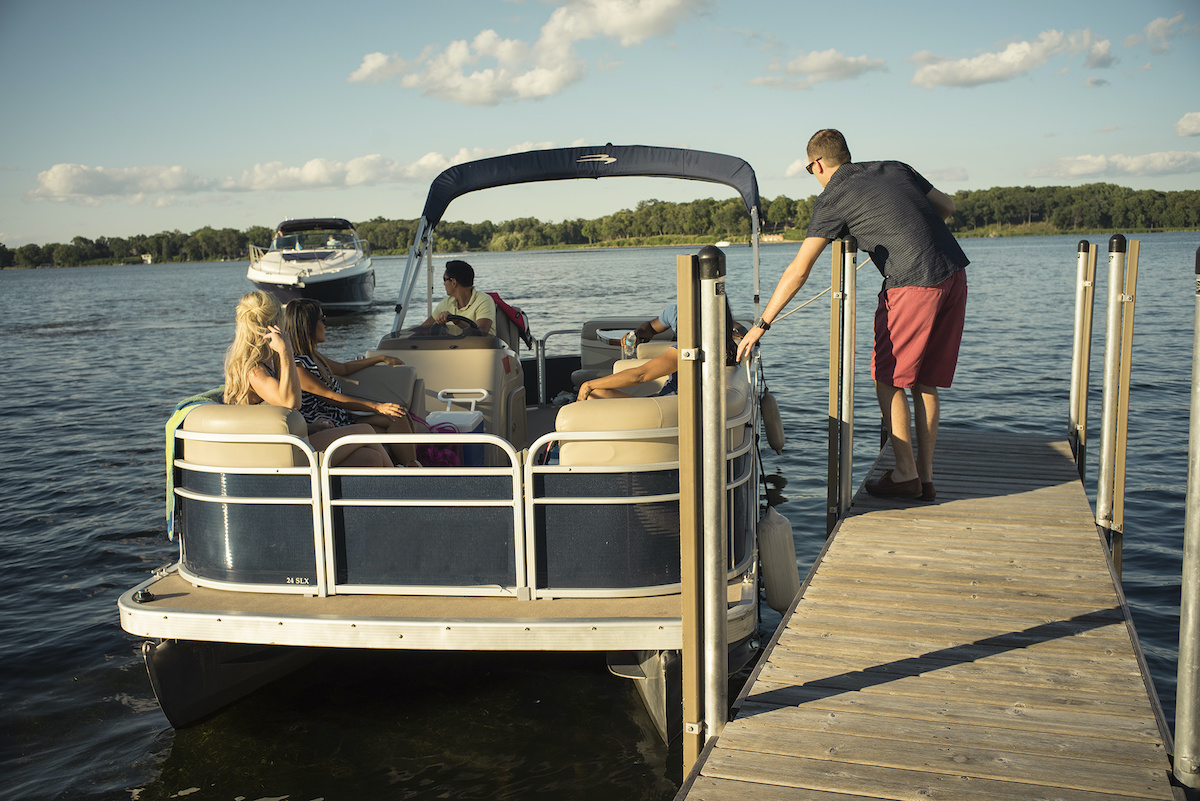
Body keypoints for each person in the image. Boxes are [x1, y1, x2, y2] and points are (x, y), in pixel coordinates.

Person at [736, 129, 968, 502]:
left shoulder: (833, 198)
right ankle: (925, 479)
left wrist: (762, 323)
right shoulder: (894, 167)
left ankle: (906, 474)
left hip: (911, 283)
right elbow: (947, 207)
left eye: (811, 170)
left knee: (888, 378)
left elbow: (800, 268)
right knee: (926, 381)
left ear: (817, 164)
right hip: (953, 272)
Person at [222, 291, 391, 468]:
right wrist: (286, 350)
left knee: (371, 457)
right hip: (279, 450)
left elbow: (279, 416)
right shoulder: (255, 371)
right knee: (364, 431)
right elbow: (290, 404)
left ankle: (394, 488)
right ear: (275, 323)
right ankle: (406, 483)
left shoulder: (267, 365)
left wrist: (310, 427)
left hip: (291, 440)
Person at [281, 298, 419, 466]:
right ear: (307, 324)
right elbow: (331, 397)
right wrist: (377, 407)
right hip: (328, 428)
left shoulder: (314, 356)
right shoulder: (298, 366)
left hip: (343, 420)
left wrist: (380, 358)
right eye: (322, 320)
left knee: (397, 416)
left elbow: (343, 369)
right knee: (385, 421)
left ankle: (413, 467)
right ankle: (402, 477)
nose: (326, 325)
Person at [579, 305, 742, 400]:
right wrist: (635, 335)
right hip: (673, 402)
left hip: (669, 407)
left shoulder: (690, 351)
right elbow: (650, 327)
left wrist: (588, 385)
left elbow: (641, 376)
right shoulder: (722, 343)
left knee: (594, 393)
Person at [419, 260, 496, 335]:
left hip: (481, 347)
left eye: (444, 279)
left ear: (453, 282)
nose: (444, 284)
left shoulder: (484, 300)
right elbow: (423, 329)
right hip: (453, 347)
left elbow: (482, 333)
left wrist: (457, 321)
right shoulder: (446, 303)